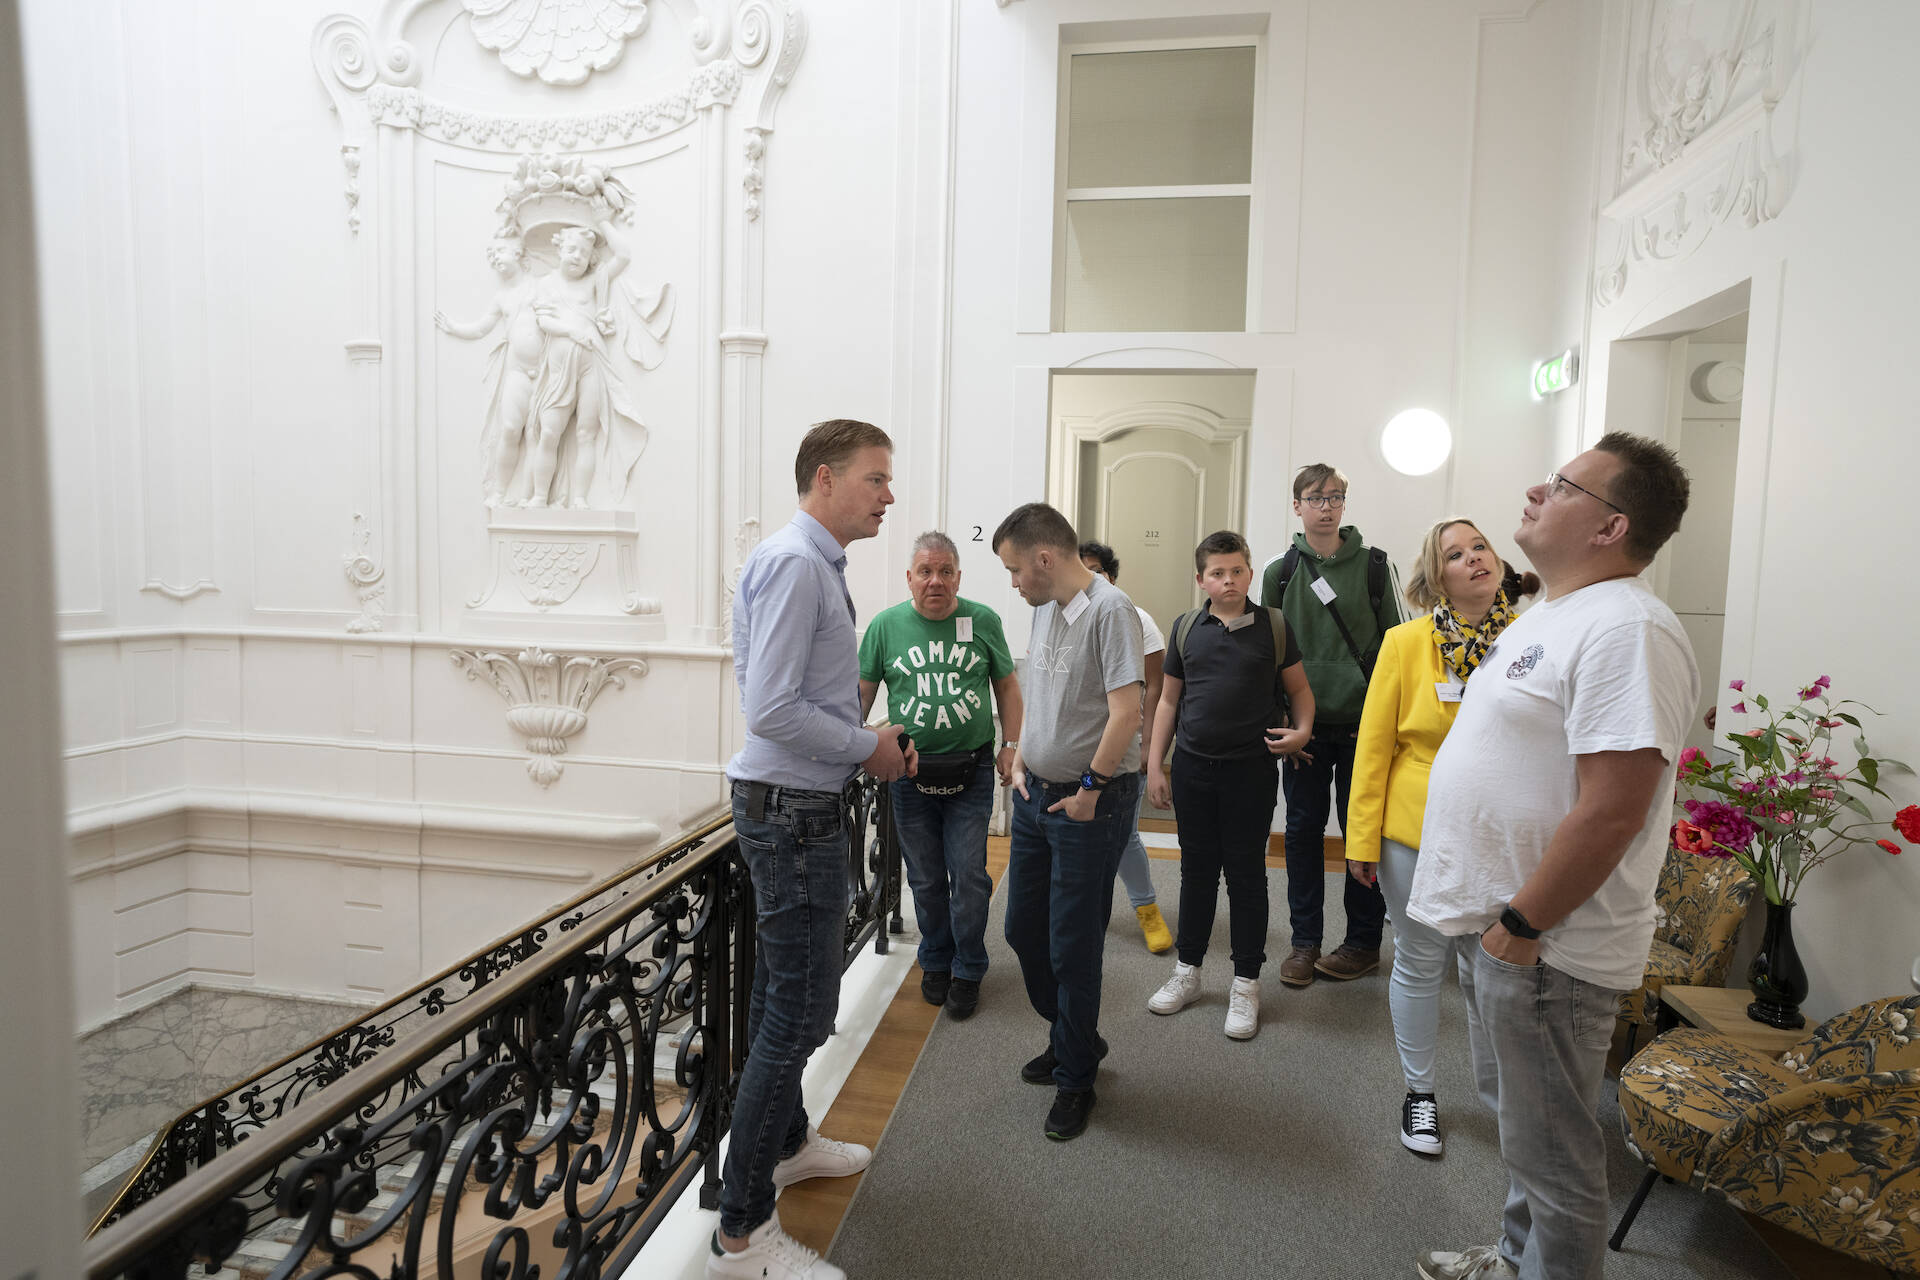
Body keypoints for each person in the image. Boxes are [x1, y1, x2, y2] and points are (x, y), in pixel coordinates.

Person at [1412, 433, 1697, 1280]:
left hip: (1549, 945)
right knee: (1523, 1136)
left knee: (1560, 1162)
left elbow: (1614, 809)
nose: (1538, 491)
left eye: (1565, 485)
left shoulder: (1629, 630)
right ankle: (1511, 1262)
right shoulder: (1555, 612)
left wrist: (1522, 923)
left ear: (1610, 526)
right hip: (1512, 931)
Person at [714, 419, 918, 1280]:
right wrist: (865, 745)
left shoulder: (798, 559)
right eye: (875, 479)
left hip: (793, 802)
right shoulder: (798, 564)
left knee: (783, 1000)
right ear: (826, 478)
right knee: (794, 1016)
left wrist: (849, 740)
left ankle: (787, 1146)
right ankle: (741, 1235)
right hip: (794, 810)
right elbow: (769, 709)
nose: (887, 495)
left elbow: (759, 682)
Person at [1344, 519, 1537, 1157]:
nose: (1474, 558)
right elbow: (1374, 746)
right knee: (1421, 962)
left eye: (1479, 546)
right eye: (1456, 554)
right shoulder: (1405, 643)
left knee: (1495, 971)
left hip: (1503, 831)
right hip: (1415, 828)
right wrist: (1360, 839)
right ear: (1437, 577)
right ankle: (1420, 1095)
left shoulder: (1534, 637)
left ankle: (1509, 1100)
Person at [992, 503, 1144, 1142]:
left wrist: (1091, 788)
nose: (1013, 581)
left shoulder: (1113, 612)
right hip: (1036, 799)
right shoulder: (1044, 608)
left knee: (1073, 944)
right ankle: (1071, 1035)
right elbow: (1044, 693)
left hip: (1088, 803)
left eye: (1013, 569)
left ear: (1045, 559)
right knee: (1024, 928)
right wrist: (1023, 752)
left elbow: (1127, 712)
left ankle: (1076, 1074)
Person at [1144, 531, 1314, 1040]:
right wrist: (1156, 765)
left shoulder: (1274, 627)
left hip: (1251, 773)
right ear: (1201, 580)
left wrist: (1303, 731)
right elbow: (1169, 702)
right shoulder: (1185, 628)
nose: (1229, 580)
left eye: (1237, 570)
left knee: (1246, 876)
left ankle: (1245, 983)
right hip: (1194, 772)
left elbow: (1300, 691)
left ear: (1249, 571)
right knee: (1196, 872)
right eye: (1218, 573)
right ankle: (1188, 972)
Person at [859, 531, 1023, 1020]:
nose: (936, 581)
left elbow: (1008, 688)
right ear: (909, 577)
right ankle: (935, 957)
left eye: (945, 571)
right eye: (926, 572)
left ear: (958, 576)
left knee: (969, 876)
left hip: (971, 773)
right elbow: (860, 696)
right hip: (908, 776)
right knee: (927, 879)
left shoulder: (983, 620)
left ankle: (969, 966)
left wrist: (1011, 746)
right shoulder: (885, 626)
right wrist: (856, 745)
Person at [1261, 463, 1402, 986]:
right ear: (1297, 505)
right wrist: (1285, 724)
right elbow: (1267, 654)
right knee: (1301, 833)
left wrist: (1390, 727)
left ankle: (1363, 942)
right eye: (1315, 497)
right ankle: (1304, 943)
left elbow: (1398, 647)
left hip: (1366, 728)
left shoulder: (1374, 566)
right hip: (1306, 732)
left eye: (1335, 496)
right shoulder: (1280, 571)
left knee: (1363, 835)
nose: (1326, 506)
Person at [1077, 540, 1174, 954]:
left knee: (1124, 835)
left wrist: (1149, 750)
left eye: (1097, 570)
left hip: (1122, 749)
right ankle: (1078, 913)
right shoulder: (1059, 617)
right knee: (1073, 835)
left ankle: (1147, 908)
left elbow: (1155, 689)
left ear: (1111, 576)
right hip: (1075, 747)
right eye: (1082, 570)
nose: (1090, 578)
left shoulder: (1136, 618)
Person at [434, 236, 543, 508]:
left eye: (500, 252)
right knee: (510, 429)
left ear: (518, 253)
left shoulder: (540, 287)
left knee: (535, 435)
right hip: (517, 371)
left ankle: (529, 496)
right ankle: (501, 491)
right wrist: (453, 328)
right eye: (492, 257)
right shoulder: (502, 297)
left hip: (544, 372)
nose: (495, 259)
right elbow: (482, 327)